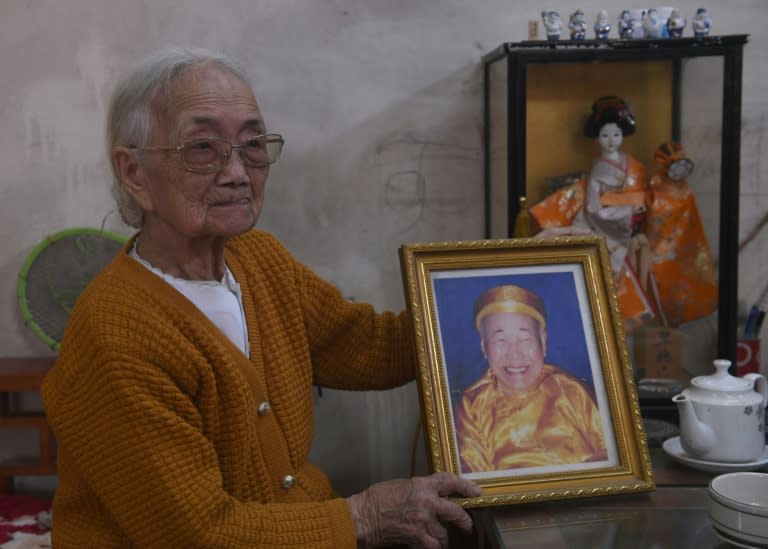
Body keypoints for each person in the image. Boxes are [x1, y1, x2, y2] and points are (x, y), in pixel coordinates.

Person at [40, 47, 481, 548]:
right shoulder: (115, 334)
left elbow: (367, 347)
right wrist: (364, 517)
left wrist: (498, 293)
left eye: (253, 144)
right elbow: (202, 536)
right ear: (134, 173)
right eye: (202, 148)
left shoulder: (257, 258)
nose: (238, 173)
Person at [454, 285, 607, 474]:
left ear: (543, 341)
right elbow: (474, 475)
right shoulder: (472, 405)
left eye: (525, 339)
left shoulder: (570, 390)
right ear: (484, 347)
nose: (514, 353)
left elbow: (611, 453)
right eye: (500, 341)